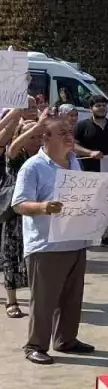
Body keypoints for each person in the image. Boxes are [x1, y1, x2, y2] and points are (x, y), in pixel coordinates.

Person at [13, 117, 93, 364]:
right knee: (44, 301)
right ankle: (35, 345)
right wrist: (43, 206)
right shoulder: (33, 166)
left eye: (70, 132)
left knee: (72, 298)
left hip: (75, 241)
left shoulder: (74, 163)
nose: (70, 136)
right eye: (62, 133)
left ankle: (66, 340)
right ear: (45, 137)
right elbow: (18, 204)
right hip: (46, 245)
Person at [73, 95, 108, 247]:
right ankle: (83, 235)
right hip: (88, 171)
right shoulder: (82, 126)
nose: (102, 108)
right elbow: (73, 146)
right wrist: (89, 153)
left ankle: (105, 236)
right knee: (87, 204)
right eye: (98, 105)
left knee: (107, 203)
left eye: (104, 105)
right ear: (91, 109)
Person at [0, 107, 35, 318]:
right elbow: (11, 146)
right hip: (15, 215)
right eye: (30, 135)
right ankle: (11, 301)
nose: (36, 139)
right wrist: (17, 114)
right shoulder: (14, 156)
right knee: (11, 255)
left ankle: (38, 298)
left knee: (35, 258)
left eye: (39, 136)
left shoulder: (46, 157)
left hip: (39, 214)